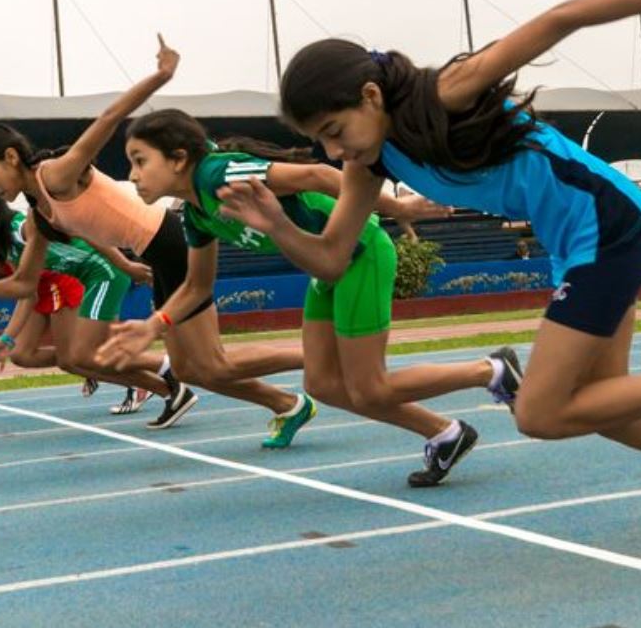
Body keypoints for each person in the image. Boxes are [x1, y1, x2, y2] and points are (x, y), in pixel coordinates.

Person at [218, 0, 641, 537]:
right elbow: (332, 259)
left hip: (606, 222)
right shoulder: (370, 163)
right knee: (605, 404)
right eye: (321, 143)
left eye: (334, 132)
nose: (334, 153)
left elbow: (562, 17)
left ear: (370, 96)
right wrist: (278, 225)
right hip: (575, 240)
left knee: (541, 412)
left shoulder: (445, 93)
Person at [121, 109, 507, 487]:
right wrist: (153, 326)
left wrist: (398, 208)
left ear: (178, 159)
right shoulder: (197, 216)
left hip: (360, 252)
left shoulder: (218, 174)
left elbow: (318, 175)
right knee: (322, 384)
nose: (133, 175)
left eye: (140, 161)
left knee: (369, 386)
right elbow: (196, 287)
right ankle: (446, 433)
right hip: (326, 267)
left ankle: (490, 371)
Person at [0, 36, 315, 448]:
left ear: (10, 157)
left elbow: (110, 118)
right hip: (158, 252)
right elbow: (25, 282)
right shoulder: (40, 214)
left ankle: (320, 359)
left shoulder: (56, 176)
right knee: (193, 369)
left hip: (170, 241)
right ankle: (287, 404)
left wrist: (161, 76)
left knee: (210, 363)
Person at [0, 183, 182, 421]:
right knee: (26, 355)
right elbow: (22, 288)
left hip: (65, 281)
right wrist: (6, 338)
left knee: (79, 357)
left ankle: (158, 376)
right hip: (41, 287)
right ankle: (124, 375)